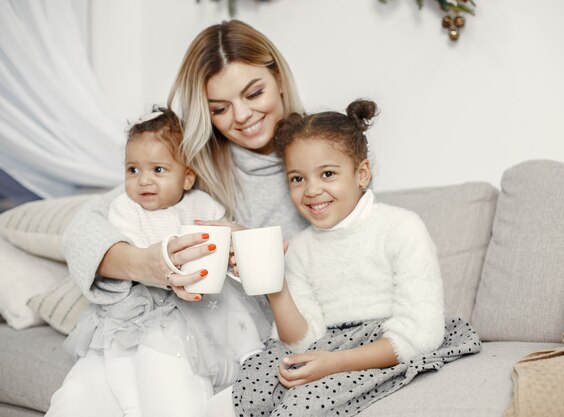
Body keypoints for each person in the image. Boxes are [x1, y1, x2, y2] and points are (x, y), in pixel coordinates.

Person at [46, 19, 307, 417]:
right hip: (165, 316)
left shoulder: (321, 154)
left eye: (254, 93)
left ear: (280, 79)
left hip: (243, 332)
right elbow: (84, 228)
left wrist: (254, 249)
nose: (241, 116)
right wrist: (148, 263)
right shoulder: (197, 158)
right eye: (219, 108)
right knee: (78, 399)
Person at [231, 99, 482, 416]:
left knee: (298, 405)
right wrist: (275, 285)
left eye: (327, 174)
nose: (311, 190)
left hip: (383, 347)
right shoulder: (299, 249)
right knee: (250, 389)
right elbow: (301, 342)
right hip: (325, 346)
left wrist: (333, 363)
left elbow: (419, 334)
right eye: (297, 178)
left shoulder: (401, 228)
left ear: (361, 173)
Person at [60, 107, 269, 417]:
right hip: (145, 301)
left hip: (199, 298)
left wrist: (232, 249)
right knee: (119, 349)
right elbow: (91, 236)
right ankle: (131, 403)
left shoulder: (204, 205)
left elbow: (222, 242)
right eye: (133, 170)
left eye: (158, 170)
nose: (143, 180)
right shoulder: (125, 209)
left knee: (227, 308)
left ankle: (248, 352)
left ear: (187, 179)